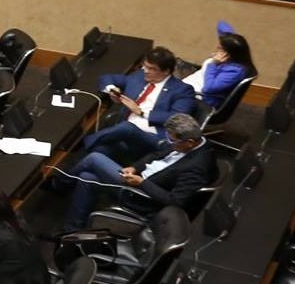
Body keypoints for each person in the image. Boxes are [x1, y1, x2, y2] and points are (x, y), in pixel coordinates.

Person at [62, 112, 216, 230]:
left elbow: (175, 201)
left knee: (94, 158)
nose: (170, 143)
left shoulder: (197, 166)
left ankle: (58, 184)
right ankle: (72, 230)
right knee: (87, 177)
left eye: (172, 141)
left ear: (189, 142)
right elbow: (156, 155)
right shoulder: (192, 142)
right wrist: (135, 167)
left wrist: (142, 183)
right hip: (138, 177)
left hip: (141, 194)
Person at [82, 46, 201, 163]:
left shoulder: (182, 90)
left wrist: (142, 112)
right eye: (145, 65)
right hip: (121, 133)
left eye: (151, 68)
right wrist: (112, 90)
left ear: (166, 71)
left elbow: (178, 118)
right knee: (97, 152)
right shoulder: (140, 76)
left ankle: (82, 142)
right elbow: (106, 78)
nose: (145, 70)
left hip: (152, 137)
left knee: (127, 127)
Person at [193, 23, 256, 108]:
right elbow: (221, 24)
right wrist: (230, 37)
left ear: (229, 53)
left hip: (202, 98)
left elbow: (209, 88)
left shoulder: (234, 71)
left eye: (220, 48)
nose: (217, 48)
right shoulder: (230, 60)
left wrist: (213, 64)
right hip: (194, 85)